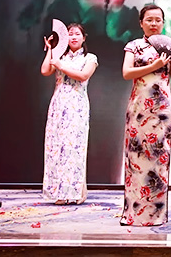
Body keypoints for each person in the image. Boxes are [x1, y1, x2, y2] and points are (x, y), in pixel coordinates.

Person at [120, 4, 171, 226]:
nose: (154, 23)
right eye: (149, 19)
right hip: (138, 109)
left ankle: (157, 215)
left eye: (158, 20)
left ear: (163, 23)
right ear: (141, 23)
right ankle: (132, 214)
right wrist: (154, 65)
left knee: (159, 159)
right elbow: (127, 73)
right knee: (135, 158)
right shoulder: (133, 46)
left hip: (162, 110)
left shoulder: (169, 47)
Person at [40, 23, 98, 205]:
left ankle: (76, 192)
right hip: (58, 104)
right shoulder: (60, 56)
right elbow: (45, 70)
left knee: (74, 148)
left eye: (77, 34)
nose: (73, 37)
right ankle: (59, 193)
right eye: (70, 34)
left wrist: (61, 66)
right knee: (56, 147)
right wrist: (51, 50)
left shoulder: (90, 58)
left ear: (83, 38)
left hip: (77, 104)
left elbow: (83, 76)